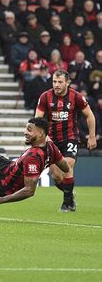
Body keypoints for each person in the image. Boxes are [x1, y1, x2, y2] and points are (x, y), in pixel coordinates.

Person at [35, 69, 97, 211]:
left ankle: (66, 203)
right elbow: (37, 119)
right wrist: (41, 137)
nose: (56, 85)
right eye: (54, 82)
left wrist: (92, 136)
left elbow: (90, 116)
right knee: (56, 175)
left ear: (68, 82)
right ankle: (69, 194)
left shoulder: (76, 97)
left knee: (67, 165)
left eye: (60, 82)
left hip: (70, 137)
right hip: (52, 139)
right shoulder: (45, 97)